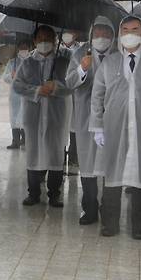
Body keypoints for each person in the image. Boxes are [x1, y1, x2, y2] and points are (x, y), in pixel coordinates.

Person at [90, 15, 141, 239]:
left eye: (135, 29)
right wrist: (97, 127)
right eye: (125, 30)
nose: (130, 34)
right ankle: (109, 224)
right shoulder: (111, 61)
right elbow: (97, 96)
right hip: (114, 128)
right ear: (120, 33)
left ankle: (138, 226)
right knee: (112, 176)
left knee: (140, 178)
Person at [65, 16, 116, 225]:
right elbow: (69, 82)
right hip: (86, 119)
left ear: (113, 36)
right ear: (91, 34)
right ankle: (90, 209)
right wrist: (82, 69)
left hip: (112, 120)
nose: (101, 37)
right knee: (88, 165)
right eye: (98, 33)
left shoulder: (119, 56)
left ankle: (109, 208)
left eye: (106, 33)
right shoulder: (80, 53)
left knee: (110, 165)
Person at [13, 25, 71, 207]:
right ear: (35, 41)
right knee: (33, 153)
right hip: (33, 116)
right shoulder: (28, 62)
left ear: (55, 40)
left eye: (48, 38)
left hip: (56, 116)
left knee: (55, 154)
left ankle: (55, 193)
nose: (44, 42)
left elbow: (72, 85)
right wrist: (38, 90)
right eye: (41, 38)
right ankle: (34, 193)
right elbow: (17, 85)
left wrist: (55, 87)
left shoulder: (64, 61)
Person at [59, 29, 82, 173]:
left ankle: (74, 161)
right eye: (65, 32)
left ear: (76, 35)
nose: (67, 35)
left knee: (74, 129)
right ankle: (60, 162)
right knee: (61, 130)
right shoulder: (57, 50)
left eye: (70, 32)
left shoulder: (81, 51)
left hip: (76, 93)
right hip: (60, 94)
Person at [2, 41, 30, 149]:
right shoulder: (12, 62)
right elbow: (5, 77)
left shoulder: (32, 61)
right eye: (21, 47)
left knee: (26, 118)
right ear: (18, 49)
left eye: (25, 47)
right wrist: (11, 76)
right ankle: (15, 141)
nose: (23, 50)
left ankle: (26, 140)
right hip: (15, 96)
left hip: (28, 94)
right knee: (14, 118)